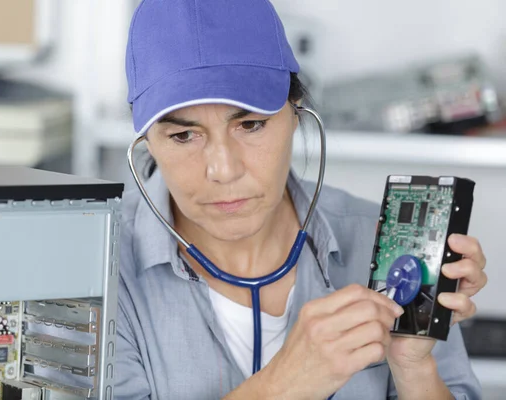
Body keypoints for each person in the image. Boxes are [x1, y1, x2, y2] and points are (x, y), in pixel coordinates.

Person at [115, 0, 487, 399]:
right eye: (183, 136)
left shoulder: (377, 245)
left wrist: (414, 368)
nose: (223, 169)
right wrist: (283, 386)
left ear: (296, 114)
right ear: (148, 142)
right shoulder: (100, 270)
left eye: (250, 124)